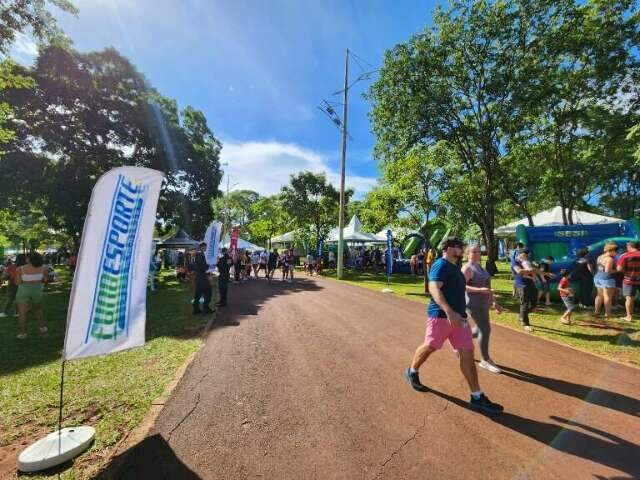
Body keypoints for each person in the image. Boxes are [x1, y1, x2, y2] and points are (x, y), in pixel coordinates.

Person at [404, 237, 503, 415]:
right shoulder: (440, 265)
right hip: (441, 317)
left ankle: (477, 396)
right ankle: (412, 371)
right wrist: (449, 311)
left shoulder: (455, 268)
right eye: (459, 247)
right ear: (449, 248)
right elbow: (434, 288)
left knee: (467, 353)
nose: (462, 250)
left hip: (460, 319)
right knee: (430, 346)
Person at [462, 244, 504, 374]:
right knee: (485, 330)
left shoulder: (481, 267)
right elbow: (461, 286)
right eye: (474, 251)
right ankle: (485, 360)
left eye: (479, 252)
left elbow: (488, 288)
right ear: (468, 253)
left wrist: (494, 303)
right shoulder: (467, 268)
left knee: (480, 329)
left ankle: (459, 340)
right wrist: (479, 290)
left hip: (483, 303)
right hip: (473, 304)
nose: (477, 254)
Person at [15, 252, 48, 339]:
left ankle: (23, 333)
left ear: (29, 259)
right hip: (37, 290)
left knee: (22, 313)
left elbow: (17, 282)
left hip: (23, 291)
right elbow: (45, 280)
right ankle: (42, 327)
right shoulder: (44, 268)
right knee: (38, 310)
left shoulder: (20, 269)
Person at [512, 249, 536, 332]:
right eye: (524, 255)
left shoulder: (527, 261)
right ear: (519, 255)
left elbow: (535, 270)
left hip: (531, 284)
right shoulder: (515, 262)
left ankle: (521, 315)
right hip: (521, 285)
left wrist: (545, 274)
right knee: (524, 304)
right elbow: (519, 271)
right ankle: (526, 324)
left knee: (534, 305)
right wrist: (529, 270)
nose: (526, 256)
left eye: (526, 255)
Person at [593, 243, 618, 320]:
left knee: (599, 295)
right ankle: (607, 314)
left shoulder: (600, 257)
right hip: (607, 279)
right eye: (615, 251)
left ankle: (596, 312)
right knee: (608, 297)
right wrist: (618, 270)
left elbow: (600, 268)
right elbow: (608, 271)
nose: (616, 253)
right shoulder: (609, 259)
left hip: (598, 277)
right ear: (611, 251)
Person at [617, 241, 640, 322]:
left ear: (629, 246)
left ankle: (629, 316)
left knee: (629, 298)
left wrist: (626, 271)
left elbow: (619, 269)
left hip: (629, 280)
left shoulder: (624, 256)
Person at [192, 242, 213, 315]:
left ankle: (196, 309)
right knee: (208, 292)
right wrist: (208, 266)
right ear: (202, 247)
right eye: (205, 247)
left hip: (198, 276)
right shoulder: (200, 254)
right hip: (201, 277)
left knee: (197, 294)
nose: (206, 248)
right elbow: (203, 266)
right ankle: (205, 309)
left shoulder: (197, 254)